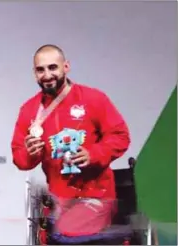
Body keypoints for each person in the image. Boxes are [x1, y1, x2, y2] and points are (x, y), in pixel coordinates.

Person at [11, 45, 130, 237]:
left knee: (66, 232)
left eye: (53, 67)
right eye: (41, 70)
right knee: (53, 231)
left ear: (66, 67)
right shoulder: (29, 110)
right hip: (59, 201)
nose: (47, 75)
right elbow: (20, 158)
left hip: (96, 197)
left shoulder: (93, 99)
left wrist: (93, 154)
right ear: (34, 74)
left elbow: (120, 136)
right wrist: (30, 153)